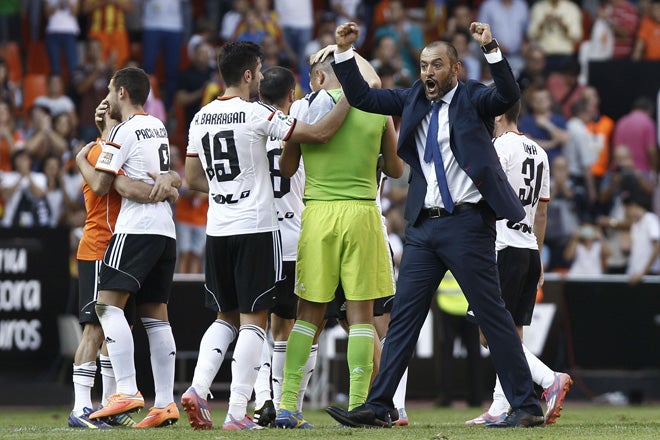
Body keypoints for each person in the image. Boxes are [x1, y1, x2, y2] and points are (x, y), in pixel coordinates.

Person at [324, 21, 544, 428]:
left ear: (455, 70)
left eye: (437, 65)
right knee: (405, 315)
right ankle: (380, 404)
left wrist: (491, 47)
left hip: (467, 223)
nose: (428, 71)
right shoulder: (412, 99)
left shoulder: (475, 97)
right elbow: (361, 97)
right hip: (424, 228)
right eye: (424, 64)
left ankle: (527, 405)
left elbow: (509, 94)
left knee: (492, 316)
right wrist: (344, 52)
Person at [179, 41, 350, 431]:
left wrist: (228, 189)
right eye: (257, 69)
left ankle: (198, 387)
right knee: (256, 323)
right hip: (256, 228)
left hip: (217, 227)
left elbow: (191, 179)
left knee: (224, 318)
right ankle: (238, 413)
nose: (259, 75)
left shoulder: (201, 116)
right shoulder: (257, 113)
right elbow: (319, 134)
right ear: (247, 74)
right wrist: (352, 95)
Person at [274, 51, 400, 429]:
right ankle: (360, 404)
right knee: (362, 317)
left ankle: (287, 406)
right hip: (362, 213)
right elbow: (396, 168)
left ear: (318, 77)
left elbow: (286, 167)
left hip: (318, 215)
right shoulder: (376, 109)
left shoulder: (305, 109)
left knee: (307, 316)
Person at [76, 67, 180, 429]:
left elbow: (103, 185)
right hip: (167, 230)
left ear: (122, 92)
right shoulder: (157, 126)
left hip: (135, 230)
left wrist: (78, 161)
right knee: (156, 316)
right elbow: (166, 176)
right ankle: (165, 403)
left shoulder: (123, 130)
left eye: (109, 89)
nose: (105, 96)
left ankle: (127, 390)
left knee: (105, 307)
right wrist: (169, 185)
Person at [464, 99, 572, 427]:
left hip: (500, 245)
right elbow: (542, 210)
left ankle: (548, 377)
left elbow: (481, 194)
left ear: (498, 113)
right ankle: (500, 405)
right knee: (513, 333)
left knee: (490, 334)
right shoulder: (538, 151)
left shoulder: (499, 147)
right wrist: (537, 256)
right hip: (527, 247)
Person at [250, 66, 306, 427]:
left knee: (254, 324)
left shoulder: (250, 130)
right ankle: (283, 400)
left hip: (258, 238)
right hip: (293, 241)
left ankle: (261, 398)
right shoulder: (298, 133)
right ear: (291, 97)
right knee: (286, 327)